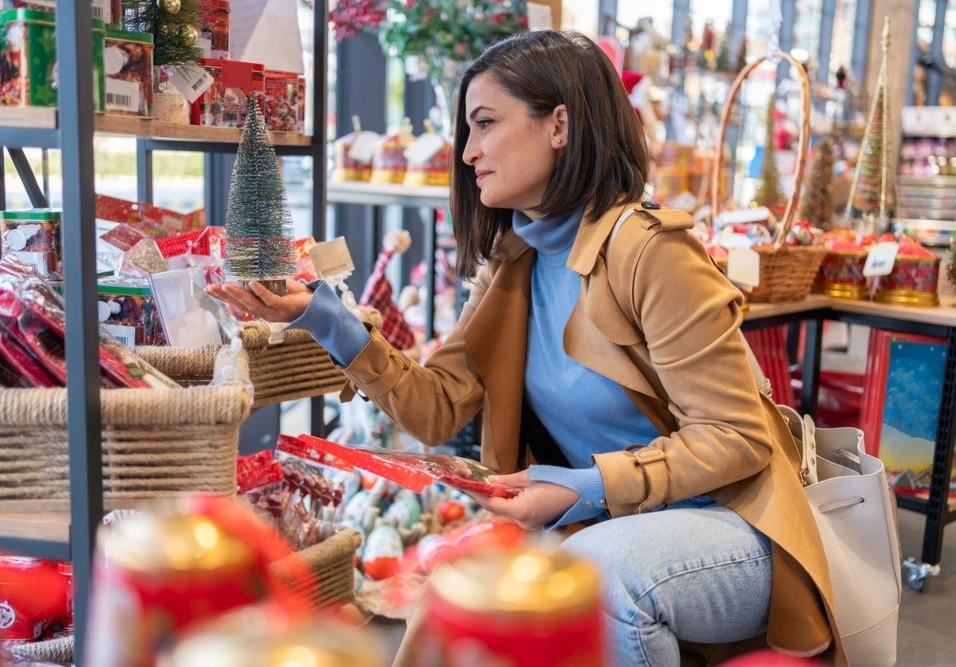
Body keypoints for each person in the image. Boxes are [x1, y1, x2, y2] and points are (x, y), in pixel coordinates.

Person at [207, 30, 842, 667]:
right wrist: (323, 316)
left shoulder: (653, 253)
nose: (467, 151)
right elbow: (435, 409)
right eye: (467, 130)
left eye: (484, 124)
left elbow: (737, 436)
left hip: (738, 528)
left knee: (603, 576)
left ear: (559, 124)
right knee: (453, 583)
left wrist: (582, 488)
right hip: (610, 522)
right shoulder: (515, 262)